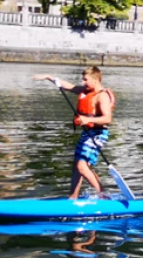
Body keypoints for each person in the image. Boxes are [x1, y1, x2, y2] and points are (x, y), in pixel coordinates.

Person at [32, 66, 115, 199]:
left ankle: (104, 196)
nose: (83, 83)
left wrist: (87, 118)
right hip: (87, 133)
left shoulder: (102, 96)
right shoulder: (86, 91)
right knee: (78, 167)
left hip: (98, 134)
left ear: (95, 80)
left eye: (85, 80)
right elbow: (69, 86)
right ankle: (73, 198)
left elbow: (107, 118)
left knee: (81, 167)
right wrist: (49, 77)